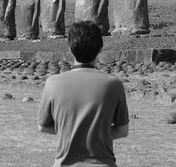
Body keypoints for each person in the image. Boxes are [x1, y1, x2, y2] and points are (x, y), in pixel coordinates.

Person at [38, 21, 129, 167]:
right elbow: (122, 130)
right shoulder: (114, 84)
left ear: (69, 48)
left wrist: (70, 131)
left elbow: (43, 126)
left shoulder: (53, 83)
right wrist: (98, 134)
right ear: (100, 48)